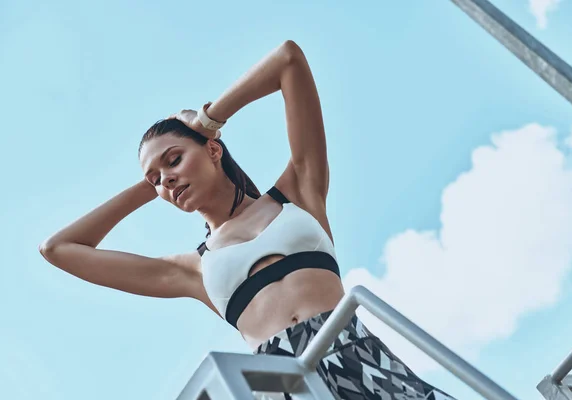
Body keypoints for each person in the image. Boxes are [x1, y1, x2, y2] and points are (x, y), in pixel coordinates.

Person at [39, 40, 455, 400]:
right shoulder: (191, 269)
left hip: (361, 355)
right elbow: (59, 250)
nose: (167, 178)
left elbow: (288, 59)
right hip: (284, 385)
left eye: (175, 159)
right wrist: (149, 185)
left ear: (214, 151)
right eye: (157, 178)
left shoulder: (297, 192)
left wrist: (206, 122)